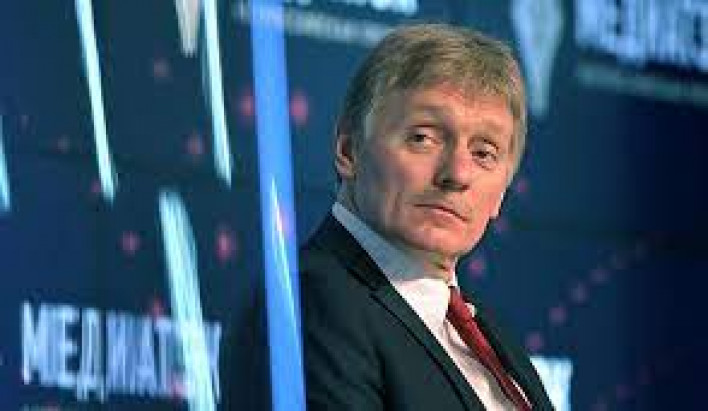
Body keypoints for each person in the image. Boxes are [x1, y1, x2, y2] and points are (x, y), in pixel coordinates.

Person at [299, 23, 553, 410]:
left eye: (483, 153)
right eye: (423, 137)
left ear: (501, 194)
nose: (457, 174)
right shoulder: (311, 305)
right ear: (349, 151)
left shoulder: (491, 336)